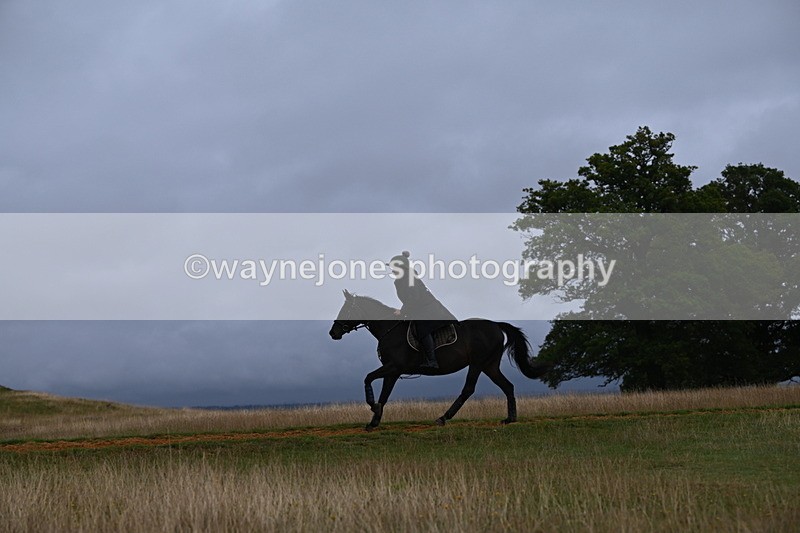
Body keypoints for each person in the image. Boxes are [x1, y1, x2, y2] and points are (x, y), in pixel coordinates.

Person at [388, 251, 457, 369]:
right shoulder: (403, 279)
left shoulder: (409, 277)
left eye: (394, 268)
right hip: (419, 309)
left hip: (428, 309)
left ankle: (432, 361)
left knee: (422, 328)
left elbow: (414, 297)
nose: (392, 270)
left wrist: (402, 311)